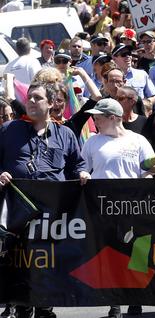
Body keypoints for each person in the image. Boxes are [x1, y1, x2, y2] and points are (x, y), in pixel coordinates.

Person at [0, 82, 90, 318]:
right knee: (20, 262)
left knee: (47, 262)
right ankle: (22, 306)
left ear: (51, 103)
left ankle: (44, 308)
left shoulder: (65, 134)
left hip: (52, 214)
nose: (30, 101)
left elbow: (77, 165)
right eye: (29, 97)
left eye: (37, 98)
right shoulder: (10, 130)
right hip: (18, 212)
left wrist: (82, 174)